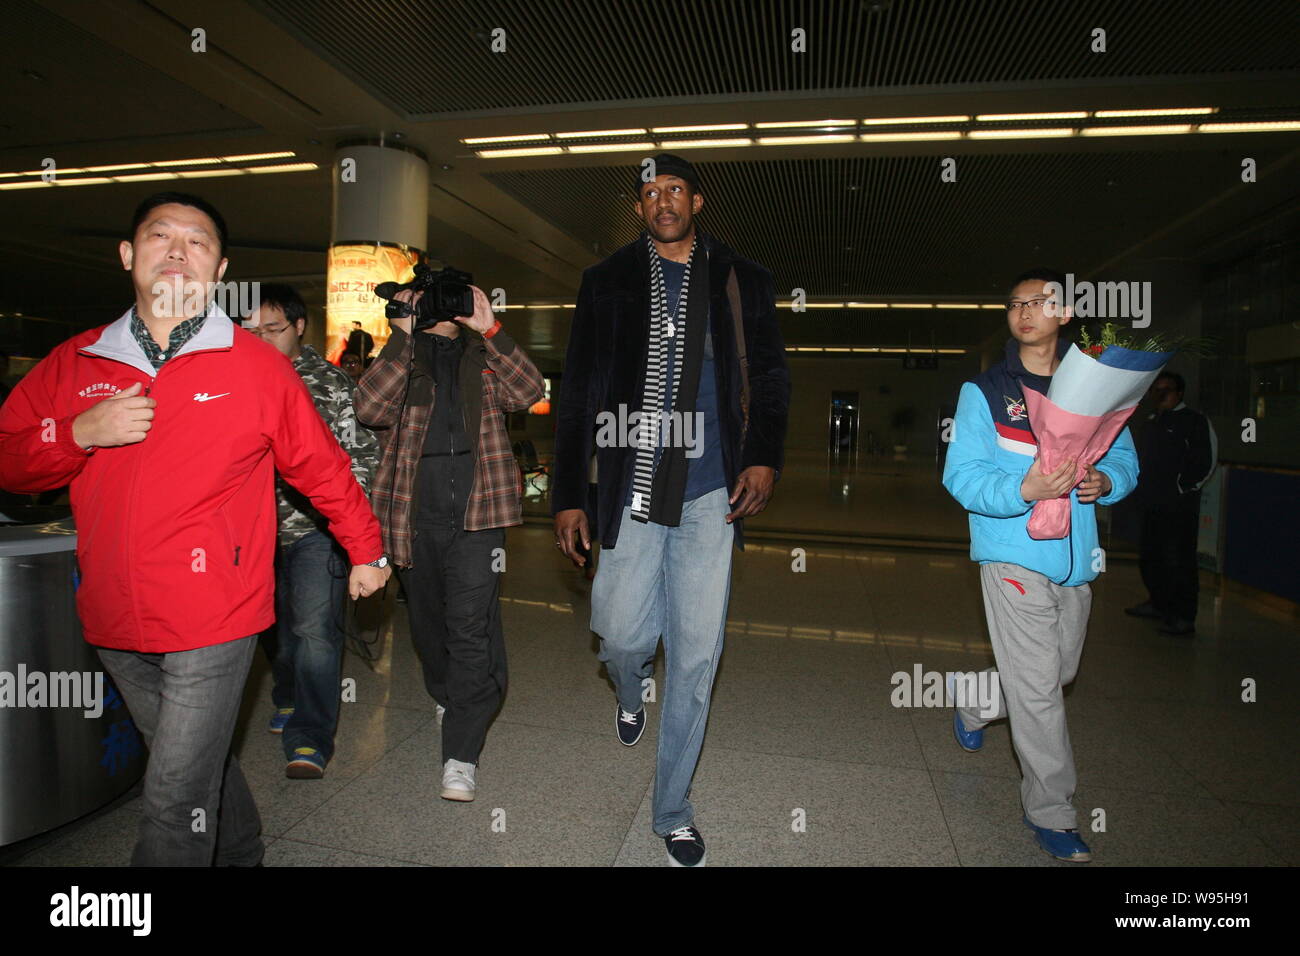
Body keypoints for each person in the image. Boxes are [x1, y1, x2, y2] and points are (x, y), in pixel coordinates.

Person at [0, 192, 389, 866]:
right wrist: (76, 433)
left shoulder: (255, 365)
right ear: (128, 256)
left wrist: (366, 548)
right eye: (160, 236)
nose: (178, 251)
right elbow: (11, 459)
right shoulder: (77, 363)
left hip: (217, 610)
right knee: (194, 761)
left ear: (219, 269)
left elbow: (320, 466)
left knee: (173, 798)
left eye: (198, 242)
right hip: (113, 612)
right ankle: (241, 853)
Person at [552, 153, 790, 866]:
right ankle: (630, 685)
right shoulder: (607, 281)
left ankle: (673, 810)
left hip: (711, 491)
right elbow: (577, 394)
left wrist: (764, 454)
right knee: (623, 636)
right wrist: (568, 494)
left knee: (696, 656)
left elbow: (771, 375)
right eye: (651, 192)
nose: (663, 201)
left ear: (697, 200)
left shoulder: (740, 278)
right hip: (629, 485)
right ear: (638, 207)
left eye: (675, 190)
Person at [941, 267, 1138, 863]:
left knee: (1056, 677)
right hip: (1011, 555)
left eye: (1040, 302)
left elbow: (1126, 460)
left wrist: (1107, 481)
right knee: (1042, 696)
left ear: (1066, 314)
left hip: (1077, 563)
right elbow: (962, 476)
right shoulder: (985, 391)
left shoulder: (1098, 390)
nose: (1025, 311)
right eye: (1015, 303)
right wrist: (1023, 487)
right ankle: (1052, 813)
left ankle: (974, 702)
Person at [354, 282, 544, 802]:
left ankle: (460, 754)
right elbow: (368, 407)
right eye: (421, 301)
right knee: (427, 622)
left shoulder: (482, 357)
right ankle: (447, 692)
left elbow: (530, 391)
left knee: (468, 627)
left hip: (481, 516)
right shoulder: (402, 356)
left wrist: (492, 330)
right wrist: (402, 339)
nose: (432, 309)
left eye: (436, 300)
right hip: (412, 514)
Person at [244, 284, 380, 777]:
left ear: (300, 327)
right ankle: (286, 694)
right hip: (251, 531)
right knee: (272, 627)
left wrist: (353, 528)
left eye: (274, 330)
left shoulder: (331, 382)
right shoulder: (234, 378)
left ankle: (311, 737)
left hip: (314, 528)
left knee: (315, 630)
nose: (262, 340)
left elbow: (362, 453)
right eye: (251, 331)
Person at [1125, 371, 1216, 636]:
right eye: (1156, 390)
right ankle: (1158, 603)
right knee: (1151, 557)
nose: (1160, 395)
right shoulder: (1151, 423)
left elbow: (1206, 462)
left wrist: (1183, 487)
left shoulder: (1194, 421)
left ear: (1179, 393)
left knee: (1179, 560)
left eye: (1166, 390)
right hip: (1151, 503)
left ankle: (1183, 615)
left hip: (1179, 507)